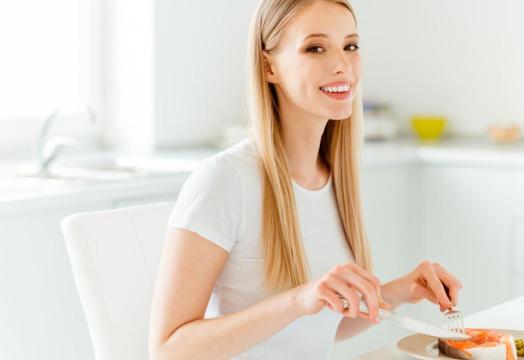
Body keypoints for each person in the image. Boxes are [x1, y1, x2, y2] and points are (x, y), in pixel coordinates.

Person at [148, 0, 462, 359]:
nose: (342, 65)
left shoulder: (332, 177)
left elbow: (323, 327)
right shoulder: (226, 179)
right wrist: (298, 299)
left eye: (350, 46)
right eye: (315, 48)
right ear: (269, 67)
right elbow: (168, 350)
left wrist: (398, 291)